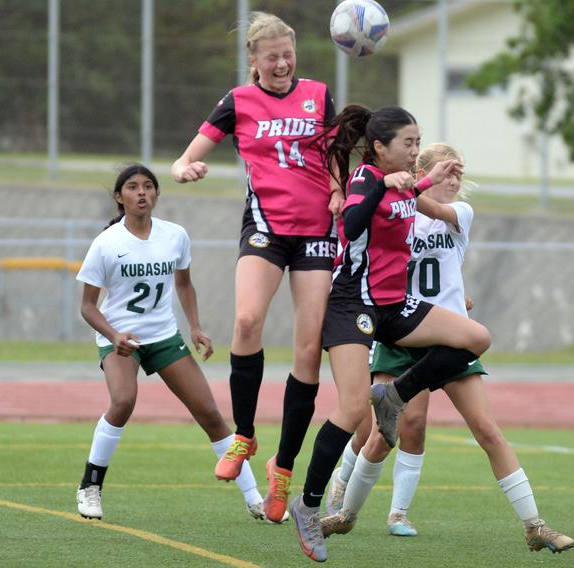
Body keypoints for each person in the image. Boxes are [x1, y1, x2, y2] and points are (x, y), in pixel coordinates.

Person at [319, 144, 574, 555]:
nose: (454, 179)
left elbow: (433, 213)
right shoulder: (395, 214)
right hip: (404, 333)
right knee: (385, 436)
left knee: (487, 430)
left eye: (459, 173)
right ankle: (345, 514)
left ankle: (535, 525)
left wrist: (416, 185)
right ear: (421, 170)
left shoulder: (459, 213)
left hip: (449, 339)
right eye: (446, 171)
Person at [287, 105, 493, 563]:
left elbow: (412, 199)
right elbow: (352, 224)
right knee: (351, 406)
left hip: (394, 305)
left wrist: (422, 179)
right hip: (352, 305)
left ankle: (395, 395)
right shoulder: (366, 178)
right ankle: (309, 505)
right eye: (408, 143)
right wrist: (384, 184)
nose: (415, 150)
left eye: (418, 143)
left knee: (475, 338)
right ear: (379, 148)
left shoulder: (405, 185)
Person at [170, 12, 342, 524]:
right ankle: (243, 435)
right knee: (246, 322)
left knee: (309, 348)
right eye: (272, 56)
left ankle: (282, 468)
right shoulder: (238, 101)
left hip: (315, 233)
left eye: (288, 53)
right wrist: (186, 169)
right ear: (254, 61)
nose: (283, 63)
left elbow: (336, 154)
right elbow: (185, 158)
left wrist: (337, 188)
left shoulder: (318, 93)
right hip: (265, 228)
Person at [74, 164, 265, 522]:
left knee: (210, 413)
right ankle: (90, 486)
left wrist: (195, 327)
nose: (142, 192)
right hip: (120, 337)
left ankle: (257, 499)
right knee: (123, 401)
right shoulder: (107, 243)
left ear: (157, 194)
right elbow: (87, 306)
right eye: (132, 187)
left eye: (148, 186)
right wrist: (115, 335)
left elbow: (184, 285)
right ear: (120, 197)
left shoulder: (175, 235)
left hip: (162, 335)